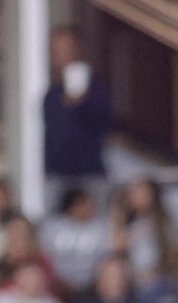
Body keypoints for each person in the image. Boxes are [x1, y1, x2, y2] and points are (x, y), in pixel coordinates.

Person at [42, 28, 111, 187]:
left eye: (67, 49)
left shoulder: (97, 90)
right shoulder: (51, 96)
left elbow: (104, 125)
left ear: (79, 51)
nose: (63, 56)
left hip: (90, 176)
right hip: (58, 177)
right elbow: (55, 136)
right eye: (57, 50)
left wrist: (82, 104)